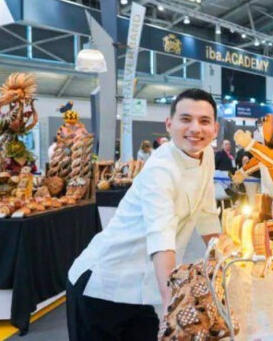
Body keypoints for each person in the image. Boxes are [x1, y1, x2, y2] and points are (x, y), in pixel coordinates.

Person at [66, 88, 221, 341]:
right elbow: (161, 240)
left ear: (215, 128)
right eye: (185, 119)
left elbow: (206, 214)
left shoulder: (207, 156)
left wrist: (225, 265)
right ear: (169, 125)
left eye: (204, 121)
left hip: (140, 290)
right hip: (100, 286)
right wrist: (171, 308)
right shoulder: (160, 169)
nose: (195, 128)